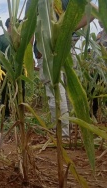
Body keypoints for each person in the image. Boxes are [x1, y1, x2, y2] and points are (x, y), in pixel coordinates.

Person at [25, 0, 97, 137]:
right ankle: (69, 130)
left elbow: (29, 27)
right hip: (67, 46)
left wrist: (30, 55)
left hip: (46, 48)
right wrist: (68, 29)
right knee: (69, 88)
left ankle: (62, 133)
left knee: (56, 89)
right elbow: (93, 10)